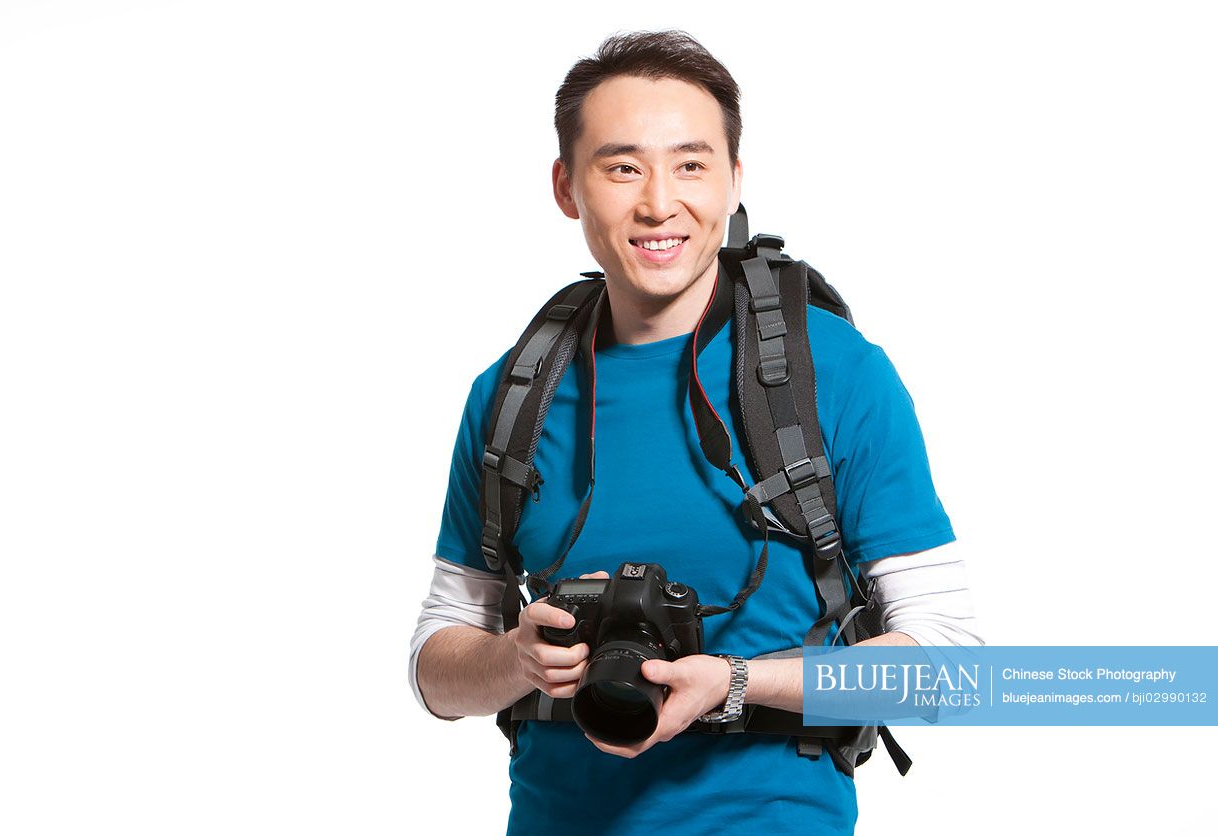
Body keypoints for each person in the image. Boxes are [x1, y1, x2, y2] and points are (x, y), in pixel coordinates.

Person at [408, 30, 982, 836]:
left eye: (690, 163)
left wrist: (738, 682)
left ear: (733, 180)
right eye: (620, 166)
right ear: (566, 186)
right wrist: (511, 660)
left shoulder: (834, 374)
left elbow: (948, 670)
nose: (657, 202)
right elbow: (436, 669)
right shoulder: (511, 395)